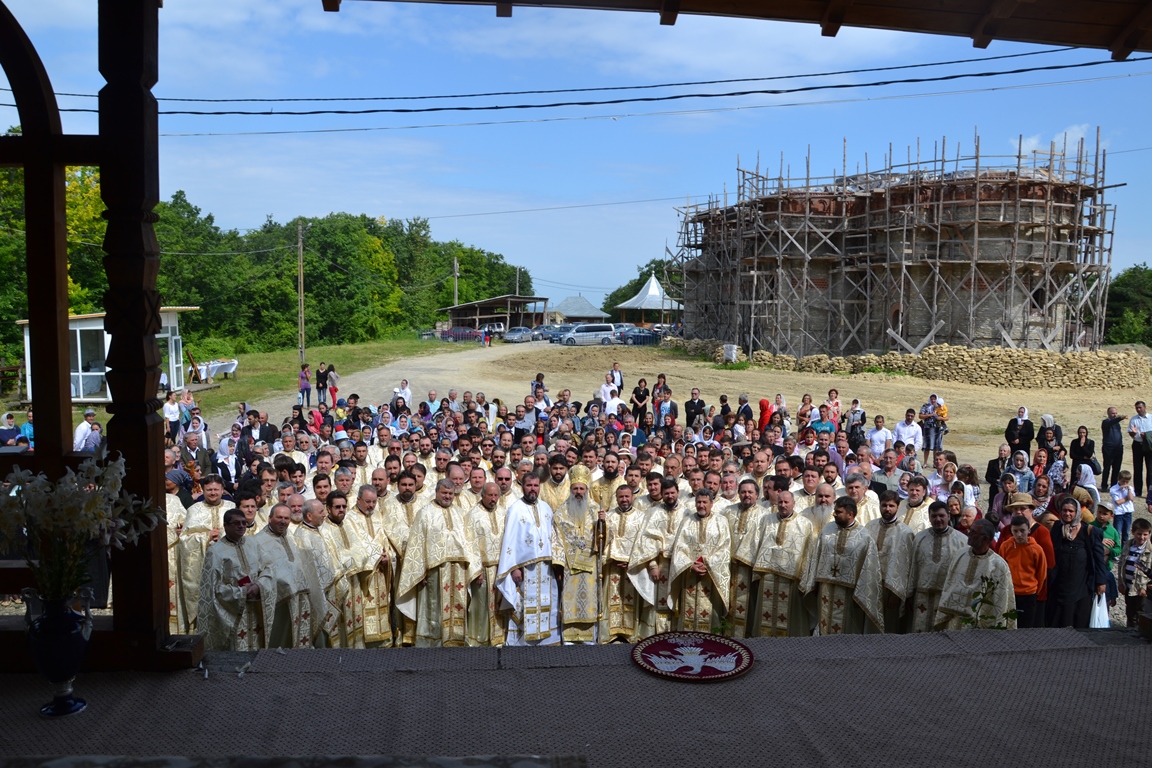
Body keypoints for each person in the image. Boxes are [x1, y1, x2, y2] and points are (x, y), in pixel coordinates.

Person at [395, 479, 483, 647]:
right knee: (434, 608)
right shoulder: (425, 513)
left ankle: (456, 639)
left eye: (450, 494)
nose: (447, 496)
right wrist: (418, 572)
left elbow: (470, 541)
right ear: (436, 492)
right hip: (435, 571)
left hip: (459, 569)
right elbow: (416, 544)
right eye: (444, 493)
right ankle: (432, 643)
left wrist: (476, 568)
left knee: (458, 605)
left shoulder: (459, 512)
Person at [498, 472, 562, 646]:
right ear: (522, 486)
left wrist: (557, 565)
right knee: (525, 605)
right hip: (525, 570)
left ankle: (548, 641)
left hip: (546, 569)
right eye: (529, 485)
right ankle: (522, 644)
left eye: (536, 485)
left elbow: (554, 539)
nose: (533, 489)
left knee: (549, 602)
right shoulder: (515, 509)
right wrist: (513, 568)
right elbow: (509, 542)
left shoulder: (546, 508)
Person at [810, 496, 884, 634]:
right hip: (826, 588)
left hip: (850, 593)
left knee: (846, 628)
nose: (834, 514)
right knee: (825, 623)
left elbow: (869, 568)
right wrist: (813, 582)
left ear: (850, 514)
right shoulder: (827, 530)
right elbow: (816, 557)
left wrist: (862, 592)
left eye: (838, 512)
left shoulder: (864, 536)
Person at [662, 489, 731, 632]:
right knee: (688, 615)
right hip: (689, 575)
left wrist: (707, 563)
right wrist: (690, 565)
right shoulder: (687, 521)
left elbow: (724, 548)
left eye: (704, 502)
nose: (701, 505)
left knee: (711, 616)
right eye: (698, 502)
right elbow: (679, 548)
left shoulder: (721, 521)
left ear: (711, 504)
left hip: (712, 576)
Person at [196, 509, 264, 650]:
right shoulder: (215, 552)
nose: (241, 526)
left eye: (244, 523)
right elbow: (213, 590)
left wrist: (260, 585)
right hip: (233, 611)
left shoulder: (253, 544)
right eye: (236, 523)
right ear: (226, 525)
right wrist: (241, 592)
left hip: (256, 607)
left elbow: (265, 569)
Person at [752, 489, 817, 637]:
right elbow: (758, 545)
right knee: (765, 617)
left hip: (791, 580)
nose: (782, 505)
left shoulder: (804, 524)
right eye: (780, 502)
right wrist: (756, 574)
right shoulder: (766, 520)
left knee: (789, 619)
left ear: (793, 504)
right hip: (767, 576)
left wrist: (805, 581)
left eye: (786, 502)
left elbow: (808, 553)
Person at [252, 503, 315, 648]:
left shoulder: (290, 535)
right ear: (269, 518)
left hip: (299, 596)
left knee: (298, 639)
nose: (283, 521)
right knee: (280, 640)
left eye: (286, 518)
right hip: (277, 599)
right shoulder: (257, 541)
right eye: (279, 517)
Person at [552, 465, 603, 643]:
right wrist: (558, 564)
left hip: (590, 564)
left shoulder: (596, 510)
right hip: (569, 566)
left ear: (587, 490)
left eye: (582, 488)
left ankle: (589, 637)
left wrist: (603, 524)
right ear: (571, 489)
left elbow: (605, 538)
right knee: (570, 600)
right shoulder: (561, 512)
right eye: (575, 488)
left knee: (590, 598)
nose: (579, 492)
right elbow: (556, 538)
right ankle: (569, 637)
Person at [934, 519, 1015, 630]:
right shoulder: (960, 554)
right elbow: (949, 583)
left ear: (985, 538)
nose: (969, 534)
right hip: (954, 619)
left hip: (978, 625)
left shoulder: (999, 565)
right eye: (970, 530)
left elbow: (1001, 600)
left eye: (973, 532)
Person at [907, 501, 968, 633]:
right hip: (922, 597)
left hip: (947, 596)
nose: (938, 519)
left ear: (948, 516)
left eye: (941, 515)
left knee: (943, 634)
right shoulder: (919, 538)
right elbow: (913, 568)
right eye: (934, 516)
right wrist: (910, 594)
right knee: (920, 633)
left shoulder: (962, 541)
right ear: (929, 517)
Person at [1048, 497, 1109, 629]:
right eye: (1064, 510)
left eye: (1071, 511)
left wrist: (1101, 581)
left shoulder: (1090, 532)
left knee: (1078, 623)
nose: (1067, 514)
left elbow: (1099, 558)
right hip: (1059, 585)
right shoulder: (1057, 528)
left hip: (1081, 586)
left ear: (1077, 513)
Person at [720, 478, 768, 638]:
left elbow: (764, 542)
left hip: (750, 570)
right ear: (738, 493)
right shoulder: (727, 511)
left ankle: (748, 639)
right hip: (728, 568)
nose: (746, 495)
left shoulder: (765, 515)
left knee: (750, 606)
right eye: (743, 492)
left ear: (757, 494)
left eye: (750, 492)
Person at [600, 484, 646, 643]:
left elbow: (643, 543)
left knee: (630, 599)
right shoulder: (609, 515)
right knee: (611, 597)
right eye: (621, 497)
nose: (624, 499)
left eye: (627, 496)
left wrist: (631, 561)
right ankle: (610, 632)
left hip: (632, 567)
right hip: (612, 566)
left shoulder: (641, 517)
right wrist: (601, 523)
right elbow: (603, 540)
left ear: (632, 497)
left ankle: (630, 633)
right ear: (616, 498)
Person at [865, 490, 914, 634]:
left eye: (891, 506)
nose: (887, 509)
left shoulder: (905, 532)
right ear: (879, 505)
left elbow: (906, 565)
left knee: (889, 626)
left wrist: (896, 594)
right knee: (869, 624)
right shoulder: (870, 526)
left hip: (892, 588)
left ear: (898, 507)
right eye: (884, 505)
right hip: (870, 584)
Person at [465, 482, 507, 647]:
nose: (493, 499)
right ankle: (479, 641)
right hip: (482, 570)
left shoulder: (503, 513)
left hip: (501, 568)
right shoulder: (473, 515)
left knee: (500, 605)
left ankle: (499, 639)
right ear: (482, 495)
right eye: (490, 495)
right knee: (481, 607)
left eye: (496, 495)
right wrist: (476, 571)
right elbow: (470, 544)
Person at [997, 514, 1048, 628]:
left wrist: (1034, 590)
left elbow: (1041, 573)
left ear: (1029, 530)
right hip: (1011, 593)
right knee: (1009, 625)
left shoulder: (1036, 549)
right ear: (1011, 531)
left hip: (1029, 594)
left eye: (1022, 531)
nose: (1019, 534)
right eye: (1015, 531)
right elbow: (1001, 570)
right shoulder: (1005, 546)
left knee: (1026, 627)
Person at [1118, 518, 1152, 628]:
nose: (1141, 537)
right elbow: (1121, 565)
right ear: (1133, 532)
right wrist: (1121, 583)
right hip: (1128, 585)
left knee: (1141, 613)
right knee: (1129, 611)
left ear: (1149, 534)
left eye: (1145, 534)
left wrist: (1146, 587)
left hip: (1141, 589)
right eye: (1139, 534)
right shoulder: (1128, 545)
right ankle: (1130, 631)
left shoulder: (1150, 551)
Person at [1100, 406, 1126, 489]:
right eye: (1112, 413)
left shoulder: (1117, 424)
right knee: (1107, 467)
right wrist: (1120, 418)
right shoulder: (1105, 422)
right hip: (1108, 449)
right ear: (1108, 414)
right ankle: (1104, 485)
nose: (1115, 415)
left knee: (1116, 468)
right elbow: (1111, 422)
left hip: (1118, 448)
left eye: (1116, 413)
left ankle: (1114, 485)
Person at [1109, 470, 1136, 545]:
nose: (1125, 483)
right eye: (1123, 481)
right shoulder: (1114, 489)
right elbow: (1118, 502)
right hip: (1119, 514)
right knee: (1117, 533)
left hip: (1128, 513)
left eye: (1127, 482)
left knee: (1126, 533)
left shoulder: (1130, 488)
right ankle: (1116, 548)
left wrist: (1129, 489)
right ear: (1119, 479)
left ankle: (1124, 549)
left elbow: (1132, 498)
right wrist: (1127, 498)